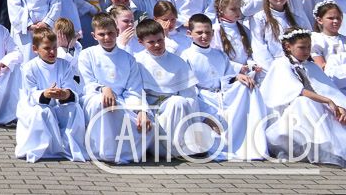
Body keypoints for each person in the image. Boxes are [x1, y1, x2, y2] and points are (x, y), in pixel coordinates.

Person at [180, 13, 268, 161]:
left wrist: (236, 77)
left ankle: (250, 144)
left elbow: (227, 77)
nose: (204, 36)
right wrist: (204, 115)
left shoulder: (219, 54)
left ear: (213, 33)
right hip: (203, 99)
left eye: (208, 32)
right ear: (189, 33)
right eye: (199, 32)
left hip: (222, 95)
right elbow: (189, 89)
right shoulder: (186, 56)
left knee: (246, 86)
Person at [260, 28, 346, 166]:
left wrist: (340, 106)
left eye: (309, 47)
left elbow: (329, 90)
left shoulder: (312, 66)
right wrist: (327, 101)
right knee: (304, 103)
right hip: (290, 110)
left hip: (316, 105)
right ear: (288, 47)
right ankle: (318, 146)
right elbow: (298, 91)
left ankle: (332, 148)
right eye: (302, 47)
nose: (306, 51)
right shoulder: (281, 64)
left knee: (327, 111)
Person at [77, 12, 151, 164]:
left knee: (146, 126)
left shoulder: (128, 59)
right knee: (101, 102)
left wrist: (140, 111)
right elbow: (86, 84)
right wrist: (103, 88)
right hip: (93, 98)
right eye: (101, 34)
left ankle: (119, 151)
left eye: (110, 33)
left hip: (122, 101)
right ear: (94, 35)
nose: (107, 38)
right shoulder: (86, 54)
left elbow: (134, 89)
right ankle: (101, 151)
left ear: (117, 32)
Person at [134, 18, 204, 158]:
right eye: (151, 42)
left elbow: (190, 96)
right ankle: (157, 147)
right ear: (141, 42)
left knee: (178, 102)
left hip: (176, 112)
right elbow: (135, 91)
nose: (157, 45)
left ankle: (178, 147)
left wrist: (195, 127)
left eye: (160, 40)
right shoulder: (137, 61)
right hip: (150, 112)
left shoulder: (178, 62)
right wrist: (142, 110)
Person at [15, 28, 87, 162]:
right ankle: (44, 149)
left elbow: (70, 86)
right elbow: (30, 94)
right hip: (35, 106)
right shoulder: (29, 67)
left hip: (59, 104)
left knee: (75, 108)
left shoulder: (65, 65)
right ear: (35, 49)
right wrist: (45, 94)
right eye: (47, 48)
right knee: (43, 111)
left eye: (54, 47)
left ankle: (70, 148)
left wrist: (65, 94)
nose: (52, 52)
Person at [312, 0, 346, 90]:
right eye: (331, 18)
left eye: (338, 18)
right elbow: (322, 67)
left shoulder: (344, 39)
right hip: (331, 85)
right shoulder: (316, 39)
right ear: (320, 20)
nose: (335, 21)